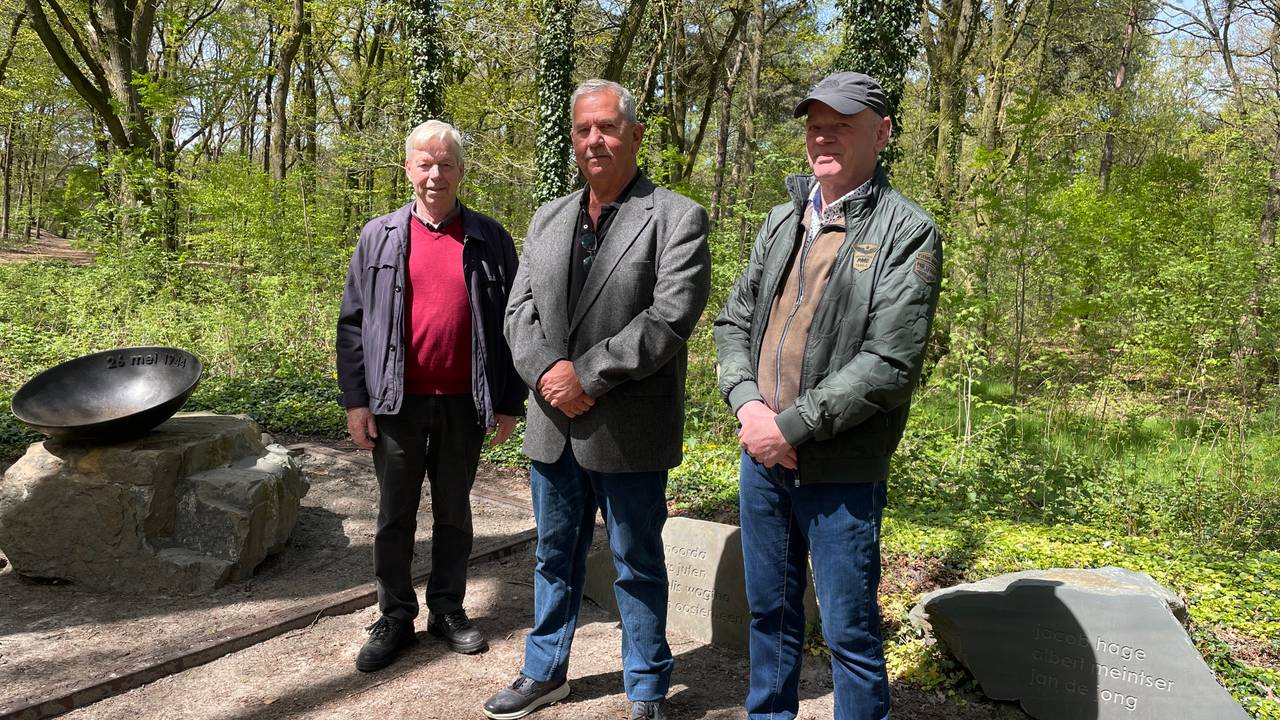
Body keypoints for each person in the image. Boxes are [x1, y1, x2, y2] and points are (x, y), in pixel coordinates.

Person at [713, 71, 943, 720]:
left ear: (883, 132)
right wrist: (748, 406)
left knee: (848, 634)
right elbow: (733, 322)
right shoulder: (784, 219)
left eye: (841, 123)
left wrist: (792, 426)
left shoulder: (909, 233)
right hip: (761, 459)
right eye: (815, 123)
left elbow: (889, 363)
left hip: (840, 471)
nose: (823, 135)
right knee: (771, 615)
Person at [484, 79, 711, 720]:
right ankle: (543, 671)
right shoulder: (547, 218)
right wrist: (549, 374)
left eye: (607, 127)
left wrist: (587, 375)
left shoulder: (676, 217)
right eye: (584, 129)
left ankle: (646, 687)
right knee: (554, 556)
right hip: (553, 423)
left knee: (637, 561)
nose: (594, 140)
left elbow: (669, 319)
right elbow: (517, 311)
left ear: (634, 135)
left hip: (628, 429)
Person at [336, 119, 524, 673]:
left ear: (461, 171)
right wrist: (356, 401)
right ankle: (395, 615)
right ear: (409, 169)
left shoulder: (490, 238)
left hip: (465, 402)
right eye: (425, 163)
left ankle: (447, 609)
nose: (435, 173)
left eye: (446, 164)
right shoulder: (379, 236)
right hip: (395, 402)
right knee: (394, 516)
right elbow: (353, 325)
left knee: (454, 513)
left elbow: (516, 323)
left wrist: (510, 401)